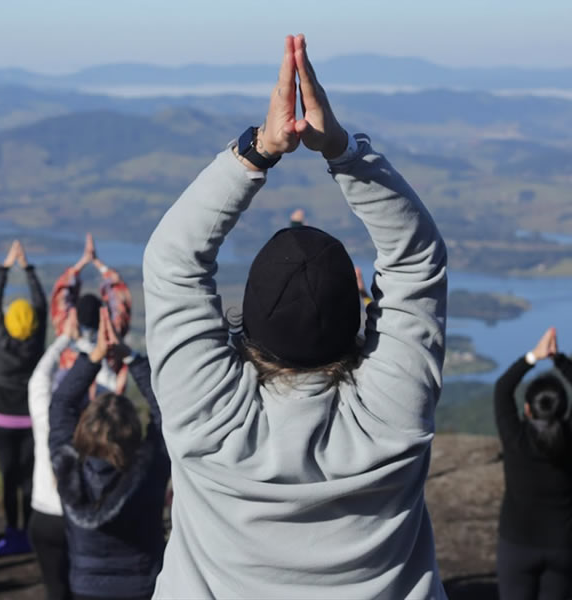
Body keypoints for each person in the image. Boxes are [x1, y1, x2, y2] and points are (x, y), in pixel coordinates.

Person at [143, 34, 448, 598]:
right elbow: (415, 260)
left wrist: (258, 149)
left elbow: (172, 263)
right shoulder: (392, 419)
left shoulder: (205, 419)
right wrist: (342, 150)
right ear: (358, 323)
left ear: (246, 324)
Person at [49, 307, 170, 600]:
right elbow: (165, 412)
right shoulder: (150, 466)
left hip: (86, 587)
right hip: (143, 586)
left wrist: (93, 358)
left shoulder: (68, 468)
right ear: (132, 431)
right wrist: (132, 358)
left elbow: (61, 405)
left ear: (83, 429)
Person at [494, 326, 572, 599]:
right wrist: (559, 360)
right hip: (563, 548)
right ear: (563, 411)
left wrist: (534, 356)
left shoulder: (515, 440)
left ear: (527, 409)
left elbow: (502, 390)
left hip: (516, 546)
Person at [0, 240, 47, 546]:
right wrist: (28, 268)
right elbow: (42, 304)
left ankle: (12, 531)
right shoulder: (36, 344)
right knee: (27, 479)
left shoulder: (1, 339)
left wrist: (4, 268)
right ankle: (29, 532)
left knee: (8, 477)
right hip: (29, 422)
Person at [26, 312, 78, 600]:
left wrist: (64, 339)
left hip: (45, 516)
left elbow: (38, 379)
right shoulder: (91, 426)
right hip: (79, 518)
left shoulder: (44, 417)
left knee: (54, 591)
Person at [50, 233, 131, 395]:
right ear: (103, 316)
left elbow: (61, 293)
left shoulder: (66, 333)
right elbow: (120, 299)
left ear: (75, 316)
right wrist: (99, 264)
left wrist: (82, 263)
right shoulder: (113, 338)